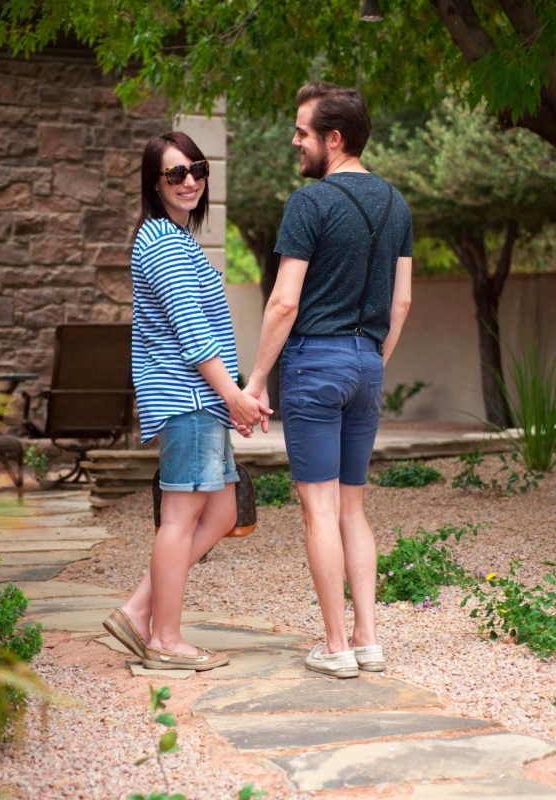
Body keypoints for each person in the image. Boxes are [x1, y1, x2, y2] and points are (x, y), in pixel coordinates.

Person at [243, 82, 413, 678]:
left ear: (332, 139)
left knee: (317, 510)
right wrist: (373, 361)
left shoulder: (309, 203)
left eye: (302, 132)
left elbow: (283, 304)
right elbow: (402, 303)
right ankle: (369, 639)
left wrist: (257, 379)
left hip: (316, 364)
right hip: (368, 362)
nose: (295, 142)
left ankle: (337, 647)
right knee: (351, 509)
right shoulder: (397, 204)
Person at [103, 131, 271, 672]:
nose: (191, 181)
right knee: (179, 520)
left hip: (201, 398)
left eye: (197, 169)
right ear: (155, 183)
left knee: (220, 512)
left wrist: (232, 401)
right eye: (176, 174)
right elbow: (194, 334)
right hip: (188, 397)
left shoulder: (174, 241)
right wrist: (236, 399)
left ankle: (136, 610)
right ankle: (164, 640)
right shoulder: (163, 242)